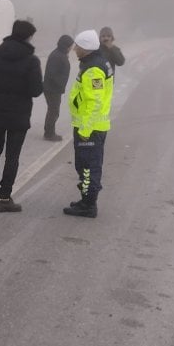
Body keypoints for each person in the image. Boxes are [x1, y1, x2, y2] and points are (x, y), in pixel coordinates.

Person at [0, 19, 44, 212]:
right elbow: (37, 90)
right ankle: (4, 198)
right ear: (28, 37)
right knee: (12, 156)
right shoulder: (31, 61)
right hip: (19, 116)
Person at [63, 29, 114, 218]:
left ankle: (89, 204)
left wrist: (85, 128)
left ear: (85, 48)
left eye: (77, 46)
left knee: (88, 167)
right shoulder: (92, 63)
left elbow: (95, 102)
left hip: (90, 129)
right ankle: (86, 199)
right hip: (89, 126)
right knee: (84, 165)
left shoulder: (93, 70)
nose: (75, 49)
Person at [42, 34, 75, 141]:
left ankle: (49, 131)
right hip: (52, 89)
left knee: (53, 110)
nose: (71, 48)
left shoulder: (60, 54)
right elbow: (52, 74)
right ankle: (49, 134)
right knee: (53, 111)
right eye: (70, 46)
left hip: (53, 88)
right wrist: (60, 84)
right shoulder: (57, 56)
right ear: (66, 46)